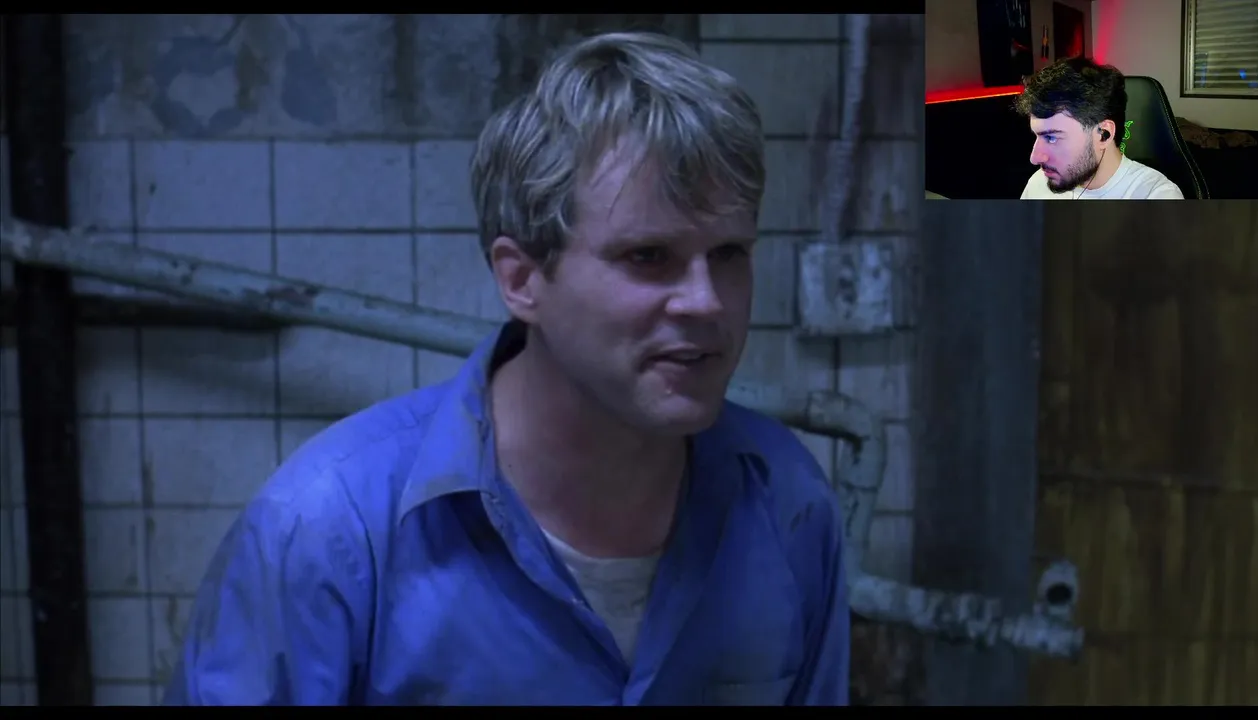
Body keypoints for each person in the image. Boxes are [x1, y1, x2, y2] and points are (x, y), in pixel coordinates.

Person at [163, 31, 850, 706]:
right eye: (648, 257)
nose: (706, 302)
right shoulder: (329, 530)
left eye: (728, 254)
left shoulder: (786, 505)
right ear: (521, 279)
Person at [1015, 57, 1183, 199]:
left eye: (1051, 138)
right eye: (1037, 136)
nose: (1034, 158)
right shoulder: (1039, 184)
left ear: (1104, 134)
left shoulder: (1156, 195)